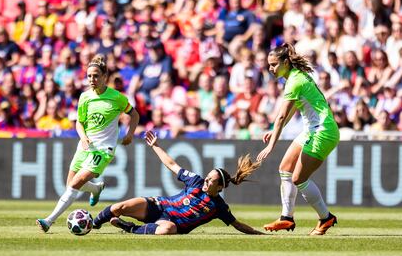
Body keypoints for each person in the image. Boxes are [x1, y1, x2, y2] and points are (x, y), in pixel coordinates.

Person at [36, 54, 140, 233]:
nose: (92, 79)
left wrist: (130, 134)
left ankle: (49, 220)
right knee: (70, 183)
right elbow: (79, 122)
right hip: (85, 146)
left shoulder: (117, 97)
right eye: (89, 76)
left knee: (75, 183)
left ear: (104, 76)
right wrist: (83, 137)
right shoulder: (84, 97)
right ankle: (96, 188)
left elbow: (135, 114)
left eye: (96, 75)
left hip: (103, 150)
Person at [92, 130, 264, 235]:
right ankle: (93, 223)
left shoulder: (218, 207)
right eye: (207, 176)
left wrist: (258, 233)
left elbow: (237, 225)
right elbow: (172, 165)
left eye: (211, 180)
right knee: (117, 208)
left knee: (167, 230)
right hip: (157, 206)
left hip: (170, 224)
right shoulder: (196, 181)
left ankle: (129, 228)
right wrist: (155, 145)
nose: (206, 180)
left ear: (219, 187)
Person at [256, 43, 340, 236]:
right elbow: (292, 110)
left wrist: (271, 145)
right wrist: (274, 130)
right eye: (269, 65)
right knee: (285, 168)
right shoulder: (295, 78)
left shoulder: (295, 81)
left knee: (298, 178)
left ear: (286, 62)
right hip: (312, 129)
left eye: (275, 64)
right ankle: (286, 218)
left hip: (322, 131)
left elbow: (281, 116)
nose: (271, 69)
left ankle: (326, 218)